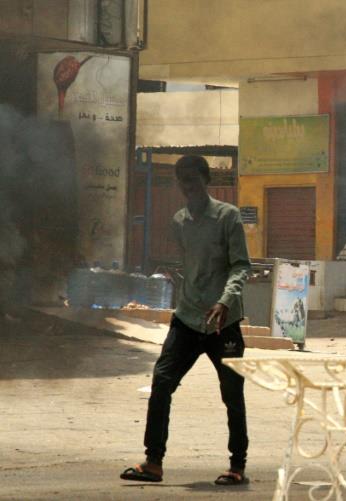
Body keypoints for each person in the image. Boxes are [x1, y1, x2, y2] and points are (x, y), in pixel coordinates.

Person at [120, 155, 251, 486]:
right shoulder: (178, 221)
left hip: (224, 323)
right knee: (162, 382)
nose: (187, 187)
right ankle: (153, 463)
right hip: (188, 318)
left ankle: (237, 466)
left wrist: (224, 300)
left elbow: (241, 266)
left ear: (206, 181)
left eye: (192, 180)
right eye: (182, 181)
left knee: (232, 394)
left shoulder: (228, 217)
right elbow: (189, 266)